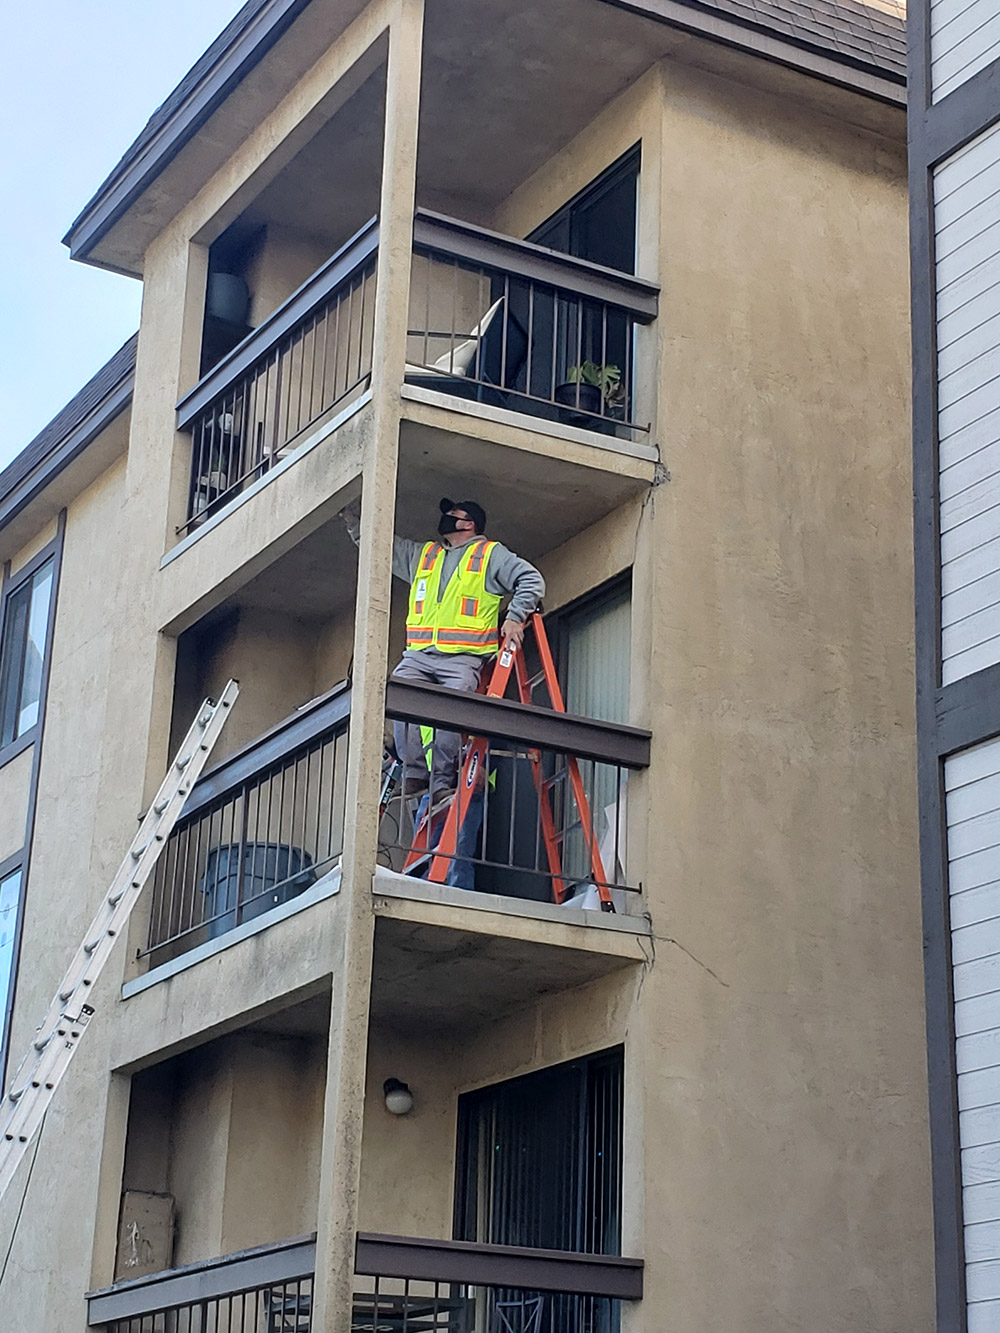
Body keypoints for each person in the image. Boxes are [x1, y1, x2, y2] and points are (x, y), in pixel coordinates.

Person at [341, 496, 544, 802]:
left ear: (469, 523)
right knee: (398, 697)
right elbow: (381, 546)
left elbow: (530, 579)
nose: (446, 518)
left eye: (453, 514)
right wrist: (353, 522)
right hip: (419, 655)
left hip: (462, 658)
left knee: (450, 712)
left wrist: (515, 618)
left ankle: (440, 784)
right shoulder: (425, 555)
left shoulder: (489, 554)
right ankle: (414, 775)